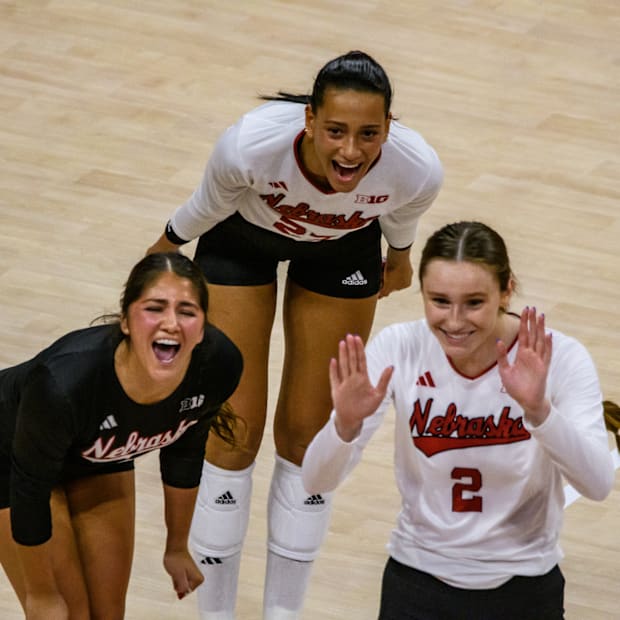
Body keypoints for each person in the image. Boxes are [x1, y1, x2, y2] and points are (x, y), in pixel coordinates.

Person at [145, 50, 443, 619]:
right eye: (335, 131)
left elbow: (401, 209)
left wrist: (400, 256)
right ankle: (216, 614)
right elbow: (208, 205)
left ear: (390, 129)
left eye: (368, 134)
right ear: (309, 120)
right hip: (241, 242)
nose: (351, 151)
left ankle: (284, 614)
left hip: (342, 253)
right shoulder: (250, 146)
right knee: (232, 429)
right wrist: (167, 247)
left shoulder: (417, 166)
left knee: (309, 437)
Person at [302, 221, 616, 620]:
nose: (454, 321)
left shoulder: (562, 357)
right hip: (416, 580)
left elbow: (598, 483)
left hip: (524, 586)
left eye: (473, 302)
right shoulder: (400, 347)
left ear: (507, 290)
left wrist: (540, 411)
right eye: (439, 301)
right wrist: (343, 427)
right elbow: (315, 482)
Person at [0, 252, 243, 620]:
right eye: (155, 308)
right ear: (126, 321)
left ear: (203, 326)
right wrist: (42, 595)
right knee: (69, 614)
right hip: (12, 457)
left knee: (108, 615)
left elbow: (185, 452)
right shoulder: (64, 384)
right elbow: (30, 490)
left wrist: (176, 546)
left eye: (187, 311)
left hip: (97, 452)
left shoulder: (218, 365)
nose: (171, 323)